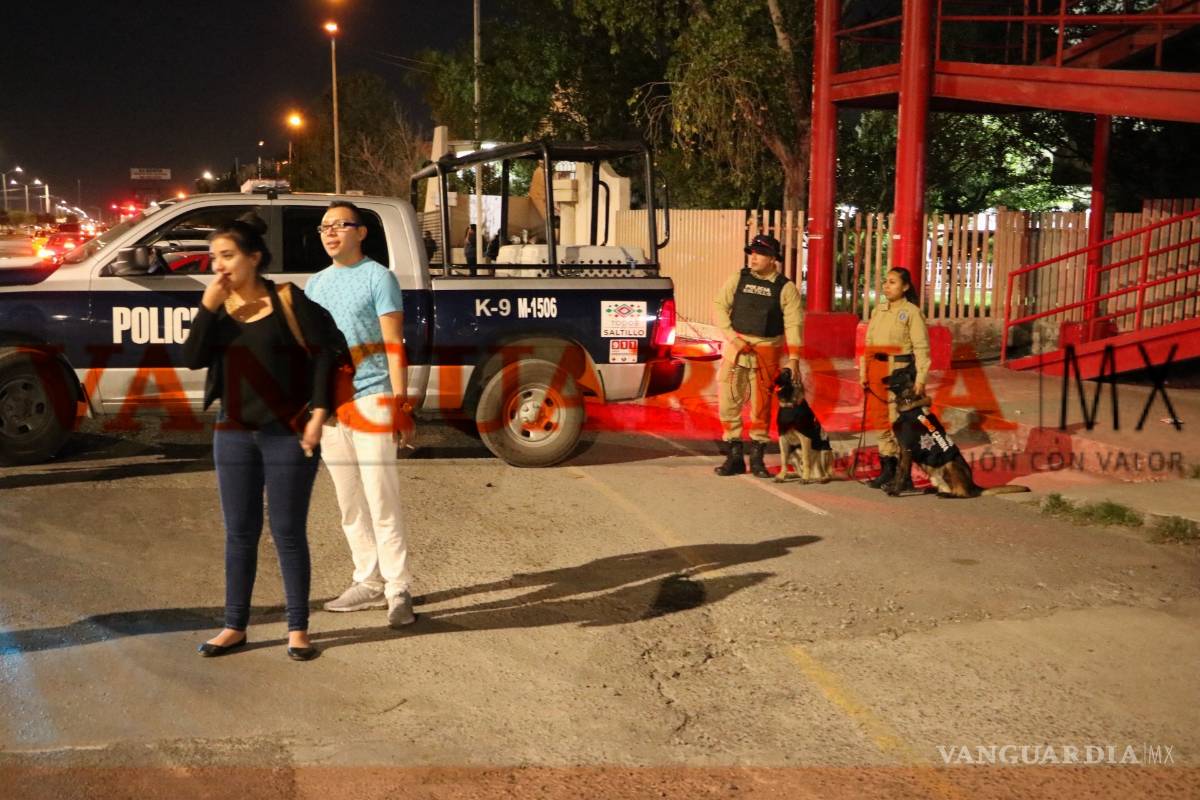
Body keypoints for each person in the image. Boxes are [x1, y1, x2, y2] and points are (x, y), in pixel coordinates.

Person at [182, 214, 337, 662]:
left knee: (287, 532)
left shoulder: (287, 299)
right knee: (239, 533)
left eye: (227, 256)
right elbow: (192, 358)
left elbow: (326, 351)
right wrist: (208, 307)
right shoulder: (220, 309)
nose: (219, 266)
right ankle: (234, 626)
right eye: (214, 258)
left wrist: (319, 413)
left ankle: (298, 629)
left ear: (254, 258)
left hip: (287, 432)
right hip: (232, 433)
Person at [305, 201, 417, 629]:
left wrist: (401, 403)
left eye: (341, 225)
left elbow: (393, 344)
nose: (331, 233)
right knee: (349, 503)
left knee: (381, 499)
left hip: (373, 398)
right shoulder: (316, 284)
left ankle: (397, 588)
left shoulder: (379, 277)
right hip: (333, 406)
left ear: (361, 232)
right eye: (325, 227)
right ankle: (367, 581)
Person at [712, 233, 803, 478]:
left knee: (762, 407)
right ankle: (734, 456)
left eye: (760, 253)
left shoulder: (785, 287)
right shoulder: (738, 278)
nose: (753, 257)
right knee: (728, 403)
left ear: (773, 259)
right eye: (751, 252)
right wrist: (733, 338)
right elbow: (719, 306)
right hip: (736, 350)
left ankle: (757, 458)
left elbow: (794, 323)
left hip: (767, 352)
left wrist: (794, 357)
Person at [859, 266, 931, 491]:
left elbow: (921, 348)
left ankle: (903, 474)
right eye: (886, 282)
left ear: (905, 286)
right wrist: (864, 371)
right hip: (876, 368)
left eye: (893, 282)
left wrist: (920, 379)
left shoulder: (911, 312)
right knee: (879, 421)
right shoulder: (878, 310)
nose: (887, 286)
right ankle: (887, 470)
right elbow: (868, 343)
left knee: (896, 422)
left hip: (898, 371)